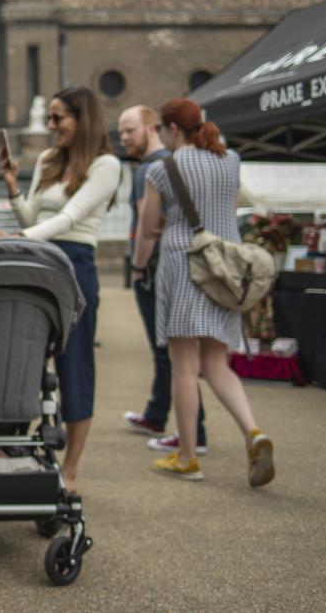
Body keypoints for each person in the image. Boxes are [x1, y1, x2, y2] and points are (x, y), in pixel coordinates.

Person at [132, 98, 274, 486]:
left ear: (173, 130)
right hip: (223, 267)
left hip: (183, 265)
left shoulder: (163, 169)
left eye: (162, 129)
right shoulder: (231, 160)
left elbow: (147, 228)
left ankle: (188, 457)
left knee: (184, 368)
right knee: (216, 364)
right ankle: (253, 432)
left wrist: (164, 226)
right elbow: (225, 211)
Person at [0, 86, 121, 492]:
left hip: (74, 265)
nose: (50, 126)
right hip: (36, 261)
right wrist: (13, 186)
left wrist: (18, 236)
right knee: (23, 353)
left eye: (58, 117)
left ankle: (71, 467)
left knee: (74, 364)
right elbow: (33, 211)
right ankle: (13, 445)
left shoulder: (106, 165)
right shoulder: (48, 159)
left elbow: (70, 217)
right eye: (49, 117)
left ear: (82, 119)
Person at [118, 106, 209, 455]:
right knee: (168, 354)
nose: (124, 138)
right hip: (170, 268)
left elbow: (148, 226)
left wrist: (139, 267)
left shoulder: (150, 169)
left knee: (172, 355)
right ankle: (156, 414)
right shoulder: (168, 163)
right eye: (122, 132)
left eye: (130, 130)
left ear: (151, 127)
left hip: (156, 270)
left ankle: (194, 432)